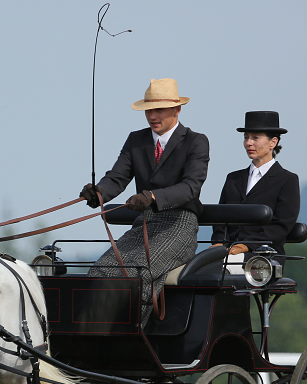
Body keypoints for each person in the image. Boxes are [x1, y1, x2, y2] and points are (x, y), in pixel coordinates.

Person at [80, 78, 210, 325]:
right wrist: (98, 193)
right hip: (144, 225)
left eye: (159, 110)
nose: (153, 116)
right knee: (99, 270)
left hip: (179, 225)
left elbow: (190, 187)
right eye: (149, 110)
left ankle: (129, 335)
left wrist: (151, 196)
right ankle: (91, 335)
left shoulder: (196, 141)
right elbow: (117, 177)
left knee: (135, 273)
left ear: (177, 109)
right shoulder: (136, 140)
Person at [211, 111, 300, 272]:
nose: (248, 143)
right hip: (227, 253)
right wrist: (218, 243)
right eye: (246, 137)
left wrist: (247, 245)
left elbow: (281, 225)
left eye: (255, 138)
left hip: (266, 256)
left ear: (273, 142)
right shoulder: (233, 179)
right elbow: (220, 218)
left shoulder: (287, 180)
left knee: (219, 269)